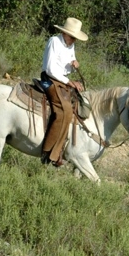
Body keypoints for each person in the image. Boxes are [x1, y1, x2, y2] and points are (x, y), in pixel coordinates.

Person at [41, 17, 88, 167]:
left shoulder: (70, 46)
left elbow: (69, 64)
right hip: (50, 79)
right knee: (65, 110)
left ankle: (69, 147)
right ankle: (49, 153)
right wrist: (70, 82)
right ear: (65, 33)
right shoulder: (54, 41)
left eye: (75, 38)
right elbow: (50, 69)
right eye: (72, 37)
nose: (74, 40)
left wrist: (75, 65)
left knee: (81, 105)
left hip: (63, 80)